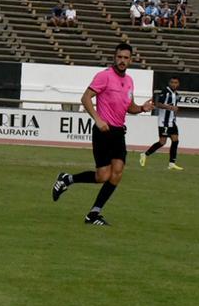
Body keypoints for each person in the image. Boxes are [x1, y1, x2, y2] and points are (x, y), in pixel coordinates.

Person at [51, 43, 154, 226]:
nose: (122, 61)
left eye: (126, 58)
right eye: (119, 57)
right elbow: (85, 98)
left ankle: (94, 214)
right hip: (103, 132)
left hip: (118, 133)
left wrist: (142, 109)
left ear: (131, 60)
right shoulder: (104, 76)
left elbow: (129, 107)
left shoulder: (129, 80)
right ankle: (67, 179)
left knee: (118, 173)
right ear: (115, 57)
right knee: (102, 176)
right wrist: (98, 120)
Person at [141, 76, 182, 170]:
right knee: (162, 142)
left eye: (176, 83)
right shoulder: (165, 92)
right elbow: (158, 104)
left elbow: (173, 106)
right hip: (164, 122)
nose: (174, 84)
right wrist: (170, 108)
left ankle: (171, 163)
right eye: (172, 82)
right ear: (169, 83)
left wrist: (174, 110)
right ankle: (144, 154)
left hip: (172, 121)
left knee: (175, 141)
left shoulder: (176, 94)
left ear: (178, 84)